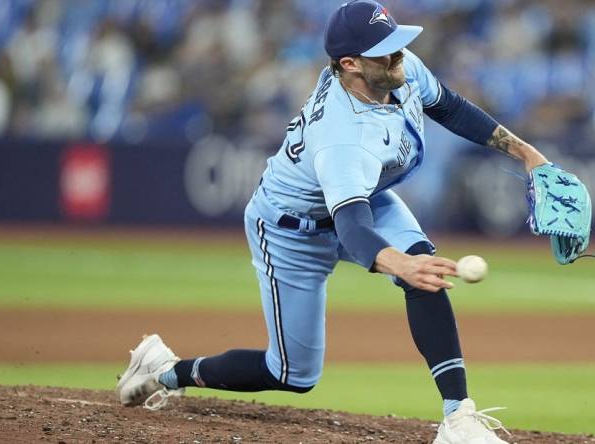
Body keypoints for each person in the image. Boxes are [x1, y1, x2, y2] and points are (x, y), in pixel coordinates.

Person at [116, 1, 549, 443]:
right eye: (386, 50)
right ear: (350, 64)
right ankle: (167, 372)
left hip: (366, 199)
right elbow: (352, 229)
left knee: (424, 271)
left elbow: (451, 107)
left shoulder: (395, 68)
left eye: (398, 44)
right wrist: (397, 264)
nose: (399, 55)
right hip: (291, 230)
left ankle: (458, 418)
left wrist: (527, 154)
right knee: (291, 373)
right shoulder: (342, 138)